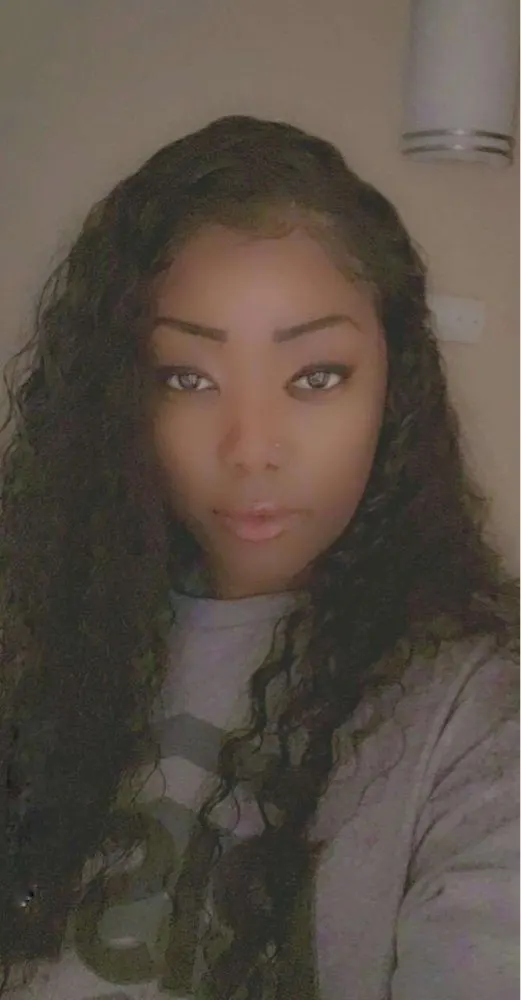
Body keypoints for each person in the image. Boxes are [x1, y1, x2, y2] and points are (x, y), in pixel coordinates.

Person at [0, 115, 518, 1000]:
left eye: (315, 376)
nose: (250, 449)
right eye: (187, 378)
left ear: (394, 386)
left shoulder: (475, 712)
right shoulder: (35, 628)